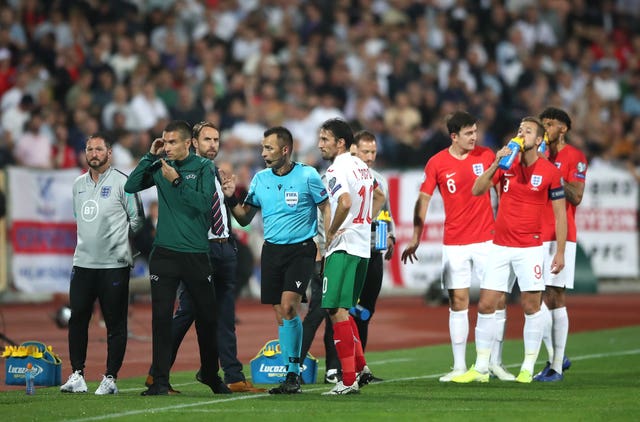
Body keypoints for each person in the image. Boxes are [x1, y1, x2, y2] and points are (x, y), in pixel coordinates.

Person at [144, 122, 264, 393]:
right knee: (188, 313)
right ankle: (157, 372)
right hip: (200, 250)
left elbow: (233, 215)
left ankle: (232, 376)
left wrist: (231, 198)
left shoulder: (215, 172)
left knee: (224, 315)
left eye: (216, 139)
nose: (213, 144)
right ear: (193, 143)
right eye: (207, 139)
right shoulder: (188, 171)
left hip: (225, 247)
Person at [401, 111, 516, 382]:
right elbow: (424, 199)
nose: (474, 137)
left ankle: (494, 363)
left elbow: (501, 191)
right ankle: (459, 366)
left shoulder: (487, 156)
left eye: (475, 132)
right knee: (458, 301)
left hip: (488, 240)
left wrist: (505, 227)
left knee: (497, 300)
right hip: (454, 242)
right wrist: (416, 235)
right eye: (468, 133)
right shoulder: (437, 163)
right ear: (454, 136)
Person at [452, 116, 567, 384]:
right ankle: (480, 368)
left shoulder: (549, 171)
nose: (521, 134)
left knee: (530, 305)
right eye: (519, 130)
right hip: (500, 246)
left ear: (539, 140)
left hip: (530, 248)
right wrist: (496, 163)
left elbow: (560, 216)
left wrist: (559, 252)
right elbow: (477, 190)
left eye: (528, 131)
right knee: (486, 304)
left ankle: (527, 367)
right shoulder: (506, 165)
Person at [124, 120, 230, 395]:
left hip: (195, 254)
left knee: (207, 318)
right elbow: (131, 186)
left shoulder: (204, 167)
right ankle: (160, 381)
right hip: (165, 254)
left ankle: (209, 373)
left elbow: (203, 203)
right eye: (164, 142)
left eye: (172, 143)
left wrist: (178, 181)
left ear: (187, 144)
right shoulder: (160, 166)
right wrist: (150, 155)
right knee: (160, 319)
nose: (167, 147)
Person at [224, 125, 330, 394]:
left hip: (301, 249)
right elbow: (245, 217)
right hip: (272, 250)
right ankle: (290, 374)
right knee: (280, 314)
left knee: (289, 307)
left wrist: (326, 243)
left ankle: (293, 372)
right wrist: (229, 196)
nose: (263, 153)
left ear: (285, 150)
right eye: (262, 148)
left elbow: (325, 206)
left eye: (269, 148)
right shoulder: (260, 179)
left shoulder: (308, 175)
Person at [60, 134, 144, 395]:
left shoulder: (123, 182)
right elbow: (79, 218)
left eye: (99, 149)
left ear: (109, 152)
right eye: (89, 149)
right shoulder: (78, 184)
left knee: (115, 322)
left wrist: (120, 245)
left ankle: (110, 378)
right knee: (78, 319)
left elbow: (137, 220)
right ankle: (77, 375)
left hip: (114, 265)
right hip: (83, 263)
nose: (94, 153)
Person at [317, 118, 385, 395]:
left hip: (343, 247)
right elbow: (378, 197)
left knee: (334, 310)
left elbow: (344, 202)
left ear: (340, 142)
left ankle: (347, 379)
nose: (320, 144)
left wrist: (332, 232)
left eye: (325, 139)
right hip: (361, 248)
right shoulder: (362, 167)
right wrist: (364, 222)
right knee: (344, 309)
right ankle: (361, 368)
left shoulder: (335, 170)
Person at [534, 107, 587, 382]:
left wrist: (549, 168)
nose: (546, 128)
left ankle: (555, 366)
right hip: (533, 233)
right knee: (534, 298)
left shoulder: (574, 157)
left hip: (560, 234)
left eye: (551, 124)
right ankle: (556, 356)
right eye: (543, 124)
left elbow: (576, 197)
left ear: (563, 129)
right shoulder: (535, 155)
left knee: (555, 297)